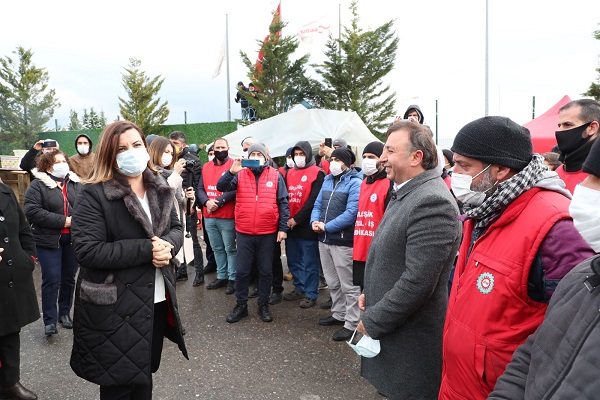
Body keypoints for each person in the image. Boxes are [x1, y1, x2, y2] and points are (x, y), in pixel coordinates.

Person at [438, 116, 595, 400]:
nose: (454, 173)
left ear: (499, 169)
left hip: (504, 389)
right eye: (454, 163)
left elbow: (572, 333)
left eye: (464, 165)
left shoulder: (556, 228)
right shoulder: (481, 209)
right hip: (459, 383)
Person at [70, 121, 187, 399]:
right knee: (119, 385)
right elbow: (88, 250)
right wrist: (148, 250)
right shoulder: (94, 193)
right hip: (115, 304)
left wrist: (167, 246)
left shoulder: (159, 185)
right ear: (109, 154)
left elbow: (176, 228)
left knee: (144, 376)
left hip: (155, 299)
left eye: (136, 145)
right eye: (121, 148)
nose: (131, 152)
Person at [488, 137, 600, 399]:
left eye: (598, 179)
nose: (584, 188)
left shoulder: (554, 224)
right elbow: (533, 354)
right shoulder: (584, 274)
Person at [356, 121, 461, 399]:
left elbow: (418, 281)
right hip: (396, 332)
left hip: (410, 341)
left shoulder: (431, 202)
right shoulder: (407, 191)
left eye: (390, 150)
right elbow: (389, 254)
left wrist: (374, 320)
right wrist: (371, 291)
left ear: (416, 157)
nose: (381, 158)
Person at [216, 143, 289, 323]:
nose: (256, 156)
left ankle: (263, 304)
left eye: (259, 154)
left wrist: (282, 228)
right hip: (244, 231)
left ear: (266, 157)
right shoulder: (240, 174)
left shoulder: (275, 175)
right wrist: (231, 171)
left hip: (268, 232)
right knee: (242, 271)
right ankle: (241, 305)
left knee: (266, 270)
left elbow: (283, 203)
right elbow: (221, 187)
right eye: (253, 153)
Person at [24, 150, 81, 336]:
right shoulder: (37, 185)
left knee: (68, 279)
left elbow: (84, 207)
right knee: (52, 279)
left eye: (64, 160)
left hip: (72, 240)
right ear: (47, 165)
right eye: (57, 161)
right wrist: (62, 221)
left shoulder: (74, 183)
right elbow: (32, 211)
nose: (62, 164)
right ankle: (49, 320)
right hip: (48, 241)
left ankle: (64, 313)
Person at [310, 147, 362, 341]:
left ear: (347, 164)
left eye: (337, 159)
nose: (333, 162)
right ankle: (338, 314)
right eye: (331, 159)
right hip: (323, 239)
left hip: (342, 241)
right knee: (332, 282)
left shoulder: (355, 183)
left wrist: (327, 226)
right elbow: (317, 205)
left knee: (348, 285)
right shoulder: (327, 180)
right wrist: (314, 222)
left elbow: (351, 213)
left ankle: (352, 323)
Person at [0, 182, 40, 400]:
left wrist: (29, 257)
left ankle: (9, 382)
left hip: (12, 276)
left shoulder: (5, 191)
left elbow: (23, 228)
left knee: (9, 329)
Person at [147, 137, 198, 284]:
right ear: (156, 151)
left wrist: (189, 199)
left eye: (171, 152)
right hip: (161, 230)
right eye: (165, 151)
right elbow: (162, 197)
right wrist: (176, 175)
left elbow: (181, 205)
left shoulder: (171, 174)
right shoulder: (151, 174)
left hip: (175, 228)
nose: (168, 155)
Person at [282, 141, 325, 308]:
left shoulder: (317, 173)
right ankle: (299, 288)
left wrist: (297, 219)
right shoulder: (289, 173)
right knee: (293, 260)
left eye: (302, 154)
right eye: (296, 154)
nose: (298, 157)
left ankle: (311, 293)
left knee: (309, 261)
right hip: (290, 224)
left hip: (306, 225)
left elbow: (313, 201)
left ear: (308, 155)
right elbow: (284, 198)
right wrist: (286, 219)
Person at [197, 138, 237, 294]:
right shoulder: (206, 167)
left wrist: (218, 202)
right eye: (217, 147)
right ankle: (222, 276)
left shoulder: (234, 165)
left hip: (227, 215)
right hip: (209, 215)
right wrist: (206, 202)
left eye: (223, 147)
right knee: (217, 248)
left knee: (230, 249)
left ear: (228, 148)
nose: (220, 149)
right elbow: (200, 187)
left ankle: (232, 278)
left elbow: (235, 189)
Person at [352, 141, 392, 290]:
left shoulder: (389, 183)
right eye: (364, 156)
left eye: (372, 156)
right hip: (361, 245)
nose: (367, 160)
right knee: (363, 290)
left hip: (379, 249)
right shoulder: (363, 183)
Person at [169, 131, 205, 284]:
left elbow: (197, 184)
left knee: (192, 241)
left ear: (183, 144)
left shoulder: (193, 161)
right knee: (176, 239)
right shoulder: (170, 160)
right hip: (174, 206)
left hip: (188, 206)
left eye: (175, 143)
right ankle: (181, 270)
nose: (172, 146)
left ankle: (199, 274)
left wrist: (193, 205)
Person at [554, 98, 600, 192]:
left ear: (591, 128)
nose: (559, 131)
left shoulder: (596, 176)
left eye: (567, 124)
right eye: (559, 125)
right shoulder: (558, 172)